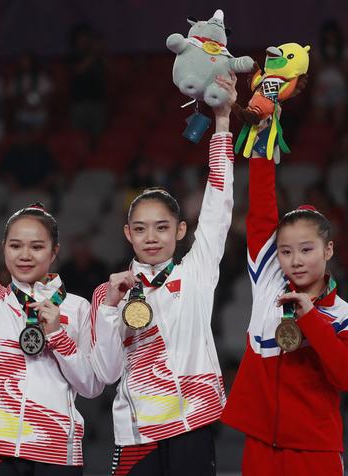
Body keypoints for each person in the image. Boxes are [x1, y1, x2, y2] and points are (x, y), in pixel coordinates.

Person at [0, 107, 104, 475]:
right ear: (4, 249)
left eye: (36, 247)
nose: (25, 255)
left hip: (57, 452)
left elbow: (91, 386)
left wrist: (58, 334)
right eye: (15, 246)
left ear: (54, 251)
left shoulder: (76, 308)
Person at [89, 73, 238, 475]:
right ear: (127, 234)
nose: (151, 237)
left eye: (161, 227)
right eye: (140, 228)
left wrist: (222, 123)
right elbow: (102, 373)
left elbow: (218, 206)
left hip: (193, 420)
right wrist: (110, 311)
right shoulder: (109, 292)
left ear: (181, 230)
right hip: (136, 430)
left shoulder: (197, 272)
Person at [220, 117, 348, 475]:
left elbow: (347, 377)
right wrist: (260, 144)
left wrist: (310, 318)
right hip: (259, 446)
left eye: (306, 250)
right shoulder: (270, 282)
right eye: (286, 252)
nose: (295, 261)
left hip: (315, 451)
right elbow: (261, 213)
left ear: (328, 250)